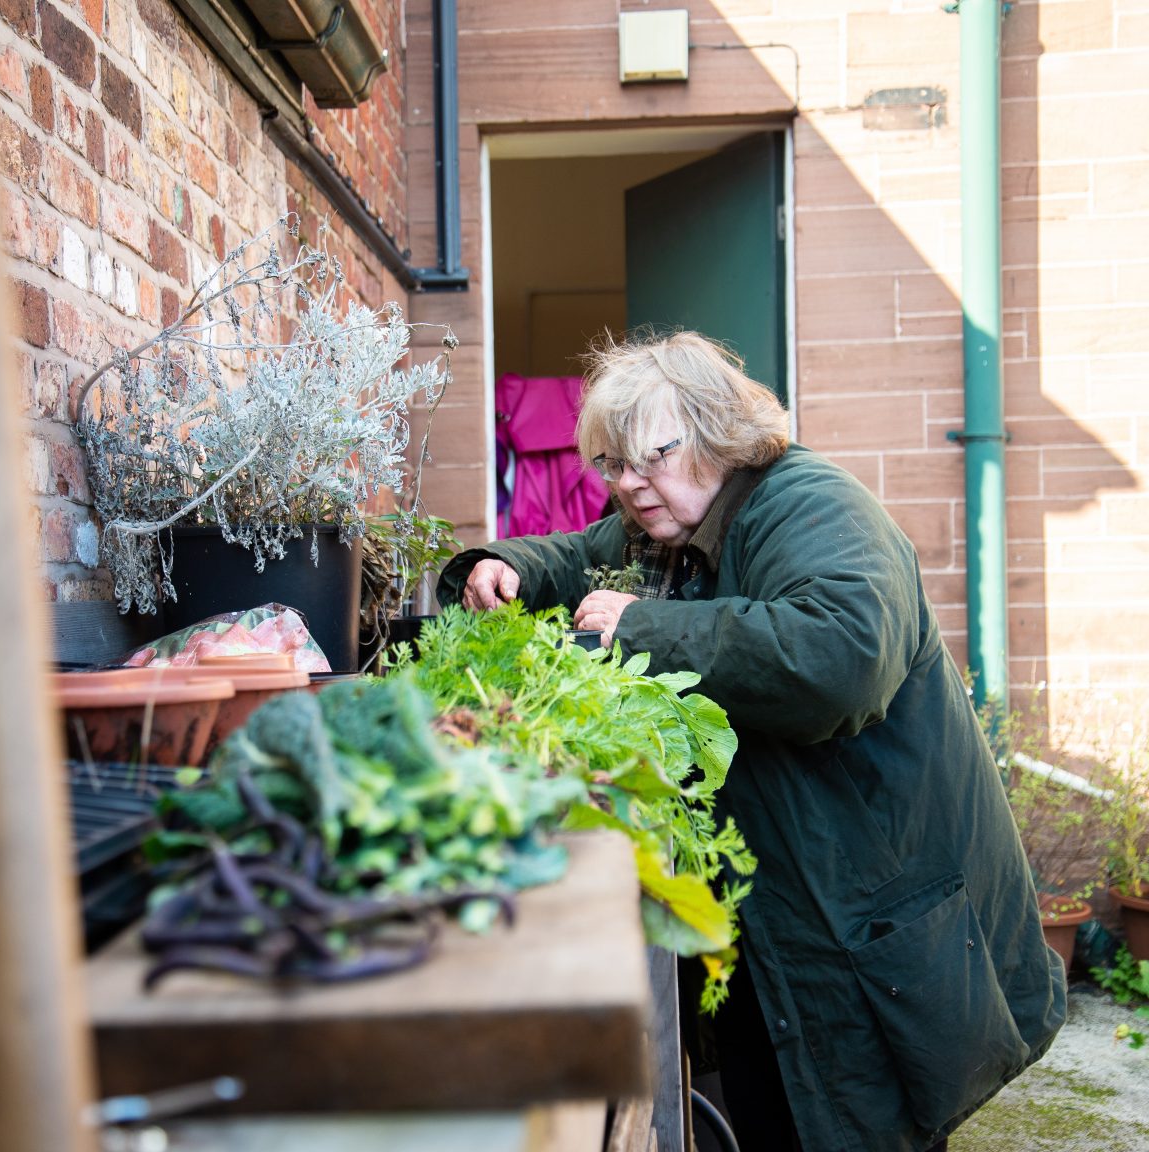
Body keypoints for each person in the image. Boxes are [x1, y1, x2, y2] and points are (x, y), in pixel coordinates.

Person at [437, 332, 1065, 1152]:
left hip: (862, 905)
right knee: (782, 1108)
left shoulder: (812, 507)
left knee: (862, 1118)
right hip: (775, 910)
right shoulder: (660, 524)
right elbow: (578, 558)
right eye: (613, 465)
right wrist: (498, 564)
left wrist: (644, 629)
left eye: (648, 458)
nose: (628, 485)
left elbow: (841, 659)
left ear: (715, 432)